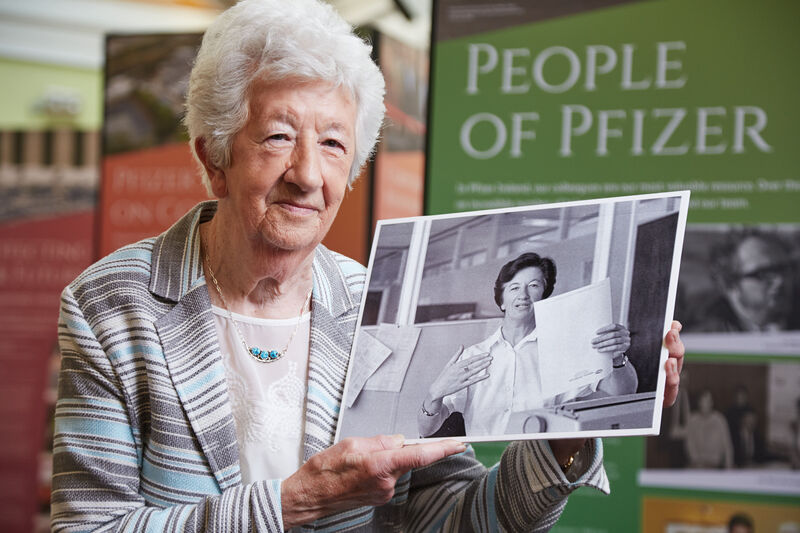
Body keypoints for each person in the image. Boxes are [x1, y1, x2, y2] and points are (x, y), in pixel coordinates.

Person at [51, 1, 686, 531]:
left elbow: (463, 517)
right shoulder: (112, 304)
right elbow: (90, 527)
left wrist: (564, 442)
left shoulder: (364, 303)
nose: (307, 175)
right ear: (215, 157)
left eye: (333, 144)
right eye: (278, 136)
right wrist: (292, 503)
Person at [417, 252, 639, 437]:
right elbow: (427, 429)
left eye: (533, 285)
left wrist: (617, 357)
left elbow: (619, 393)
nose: (523, 295)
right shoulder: (474, 356)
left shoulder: (563, 350)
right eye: (513, 288)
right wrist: (434, 395)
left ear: (544, 295)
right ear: (502, 301)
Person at [697, 230, 798, 332]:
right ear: (730, 285)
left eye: (784, 269)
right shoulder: (704, 336)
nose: (780, 280)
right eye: (763, 273)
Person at [684, 389, 734, 469]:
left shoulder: (720, 420)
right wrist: (697, 462)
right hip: (697, 466)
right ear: (699, 403)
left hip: (716, 465)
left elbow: (727, 445)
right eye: (703, 401)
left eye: (708, 401)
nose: (705, 404)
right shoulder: (692, 420)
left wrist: (729, 466)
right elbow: (690, 444)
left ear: (712, 403)